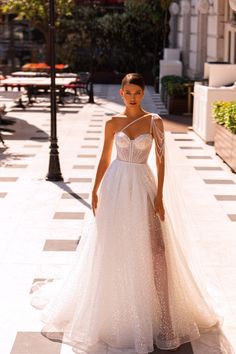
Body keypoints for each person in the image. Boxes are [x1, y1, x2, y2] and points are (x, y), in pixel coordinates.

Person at [32, 73, 233, 354]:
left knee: (157, 251)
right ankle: (120, 312)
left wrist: (159, 196)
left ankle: (165, 318)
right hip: (116, 186)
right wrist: (95, 189)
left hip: (143, 186)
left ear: (142, 93)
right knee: (116, 246)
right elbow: (104, 158)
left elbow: (162, 162)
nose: (133, 97)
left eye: (137, 92)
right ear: (121, 93)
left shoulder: (154, 122)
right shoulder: (112, 123)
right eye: (128, 92)